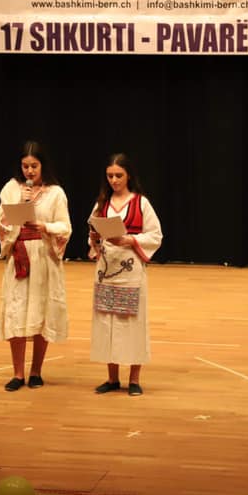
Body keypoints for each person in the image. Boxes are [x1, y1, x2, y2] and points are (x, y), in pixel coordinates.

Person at [0, 141, 72, 391]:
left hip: (43, 255)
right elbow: (2, 220)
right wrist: (21, 203)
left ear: (43, 166)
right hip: (20, 252)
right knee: (16, 311)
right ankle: (18, 373)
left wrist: (45, 226)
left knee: (41, 311)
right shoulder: (11, 188)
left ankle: (36, 371)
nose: (29, 171)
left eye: (34, 166)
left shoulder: (55, 193)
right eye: (25, 166)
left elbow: (65, 227)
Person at [88, 153, 163, 396]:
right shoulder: (102, 204)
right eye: (110, 176)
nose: (114, 180)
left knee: (132, 323)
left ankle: (134, 379)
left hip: (130, 272)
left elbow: (155, 235)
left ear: (128, 175)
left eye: (118, 175)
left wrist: (129, 239)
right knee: (107, 322)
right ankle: (112, 378)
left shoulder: (141, 203)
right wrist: (94, 238)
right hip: (106, 270)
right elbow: (92, 234)